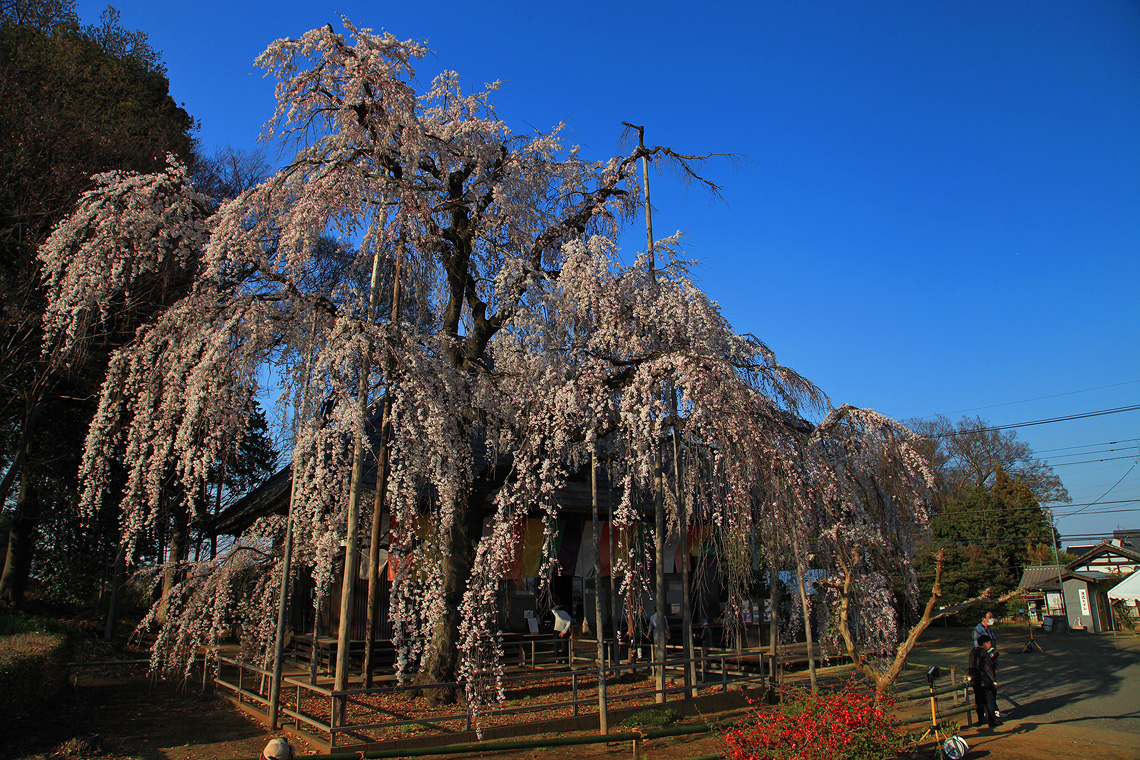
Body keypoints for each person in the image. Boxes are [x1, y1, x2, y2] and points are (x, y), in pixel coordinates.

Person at [968, 634, 999, 727]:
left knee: (979, 700)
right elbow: (988, 668)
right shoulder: (985, 652)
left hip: (975, 679)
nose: (991, 644)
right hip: (985, 679)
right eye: (989, 642)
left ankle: (980, 719)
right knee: (990, 699)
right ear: (985, 643)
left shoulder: (973, 651)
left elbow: (971, 665)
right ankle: (992, 720)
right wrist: (994, 680)